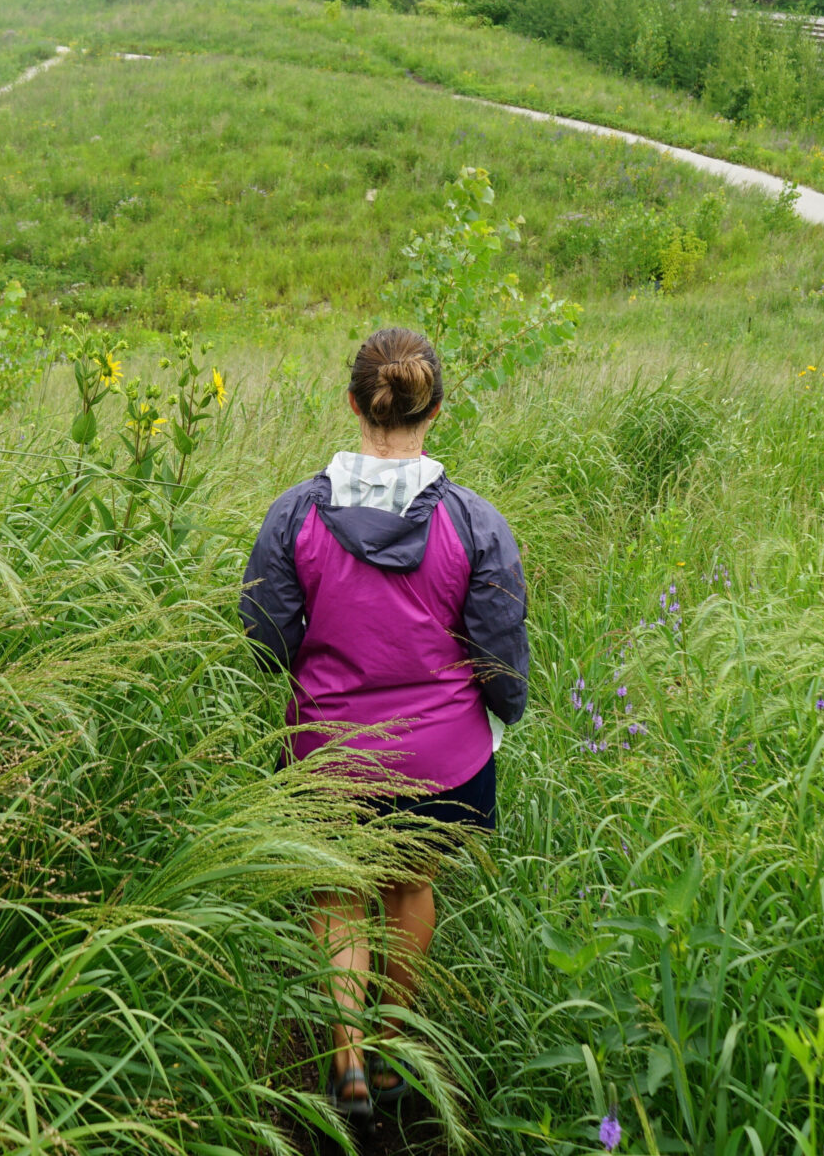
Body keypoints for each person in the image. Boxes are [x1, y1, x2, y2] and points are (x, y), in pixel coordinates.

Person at [240, 327, 528, 1117]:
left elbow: (265, 636)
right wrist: (504, 716)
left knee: (335, 897)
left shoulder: (295, 515)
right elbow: (502, 654)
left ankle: (350, 1065)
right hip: (443, 758)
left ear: (352, 404)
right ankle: (398, 1053)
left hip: (327, 755)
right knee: (411, 886)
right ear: (435, 408)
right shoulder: (476, 522)